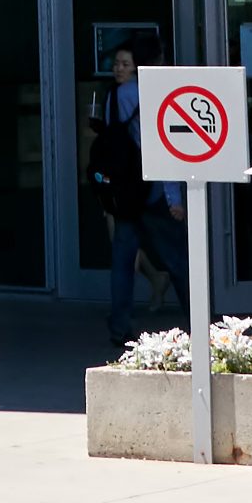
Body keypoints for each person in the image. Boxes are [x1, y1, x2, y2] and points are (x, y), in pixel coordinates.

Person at [79, 50, 183, 332]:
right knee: (175, 257)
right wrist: (173, 196)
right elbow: (159, 144)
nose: (118, 68)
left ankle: (120, 323)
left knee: (123, 260)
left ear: (136, 68)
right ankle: (198, 321)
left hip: (124, 193)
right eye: (117, 63)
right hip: (149, 189)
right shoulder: (142, 94)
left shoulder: (112, 95)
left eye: (125, 64)